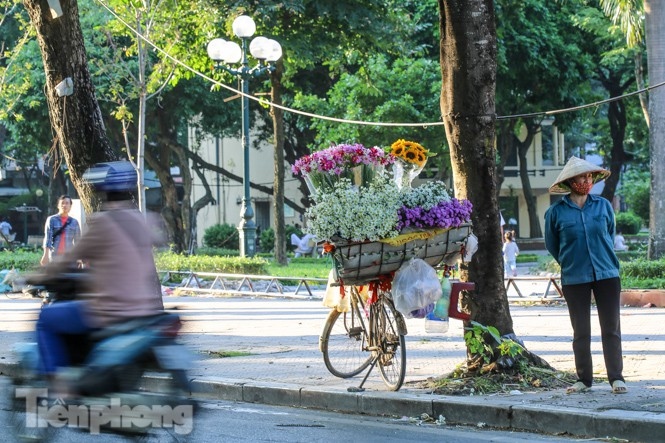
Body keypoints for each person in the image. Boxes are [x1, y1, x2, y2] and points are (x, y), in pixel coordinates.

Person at [36, 161, 165, 386]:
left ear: (100, 191)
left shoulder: (102, 222)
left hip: (108, 311)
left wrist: (40, 276)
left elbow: (68, 258)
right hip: (145, 311)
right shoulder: (143, 220)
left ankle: (60, 385)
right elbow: (159, 242)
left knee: (46, 318)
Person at [544, 156, 626, 395]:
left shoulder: (602, 206)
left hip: (607, 274)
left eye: (590, 176)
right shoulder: (555, 212)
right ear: (571, 181)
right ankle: (584, 380)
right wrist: (571, 261)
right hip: (574, 277)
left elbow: (608, 236)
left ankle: (616, 378)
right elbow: (553, 245)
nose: (587, 180)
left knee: (611, 328)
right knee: (581, 331)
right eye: (583, 176)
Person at [41, 195, 81, 266]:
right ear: (58, 206)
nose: (64, 205)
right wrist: (45, 255)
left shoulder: (74, 222)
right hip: (54, 256)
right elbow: (48, 238)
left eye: (67, 203)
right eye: (62, 203)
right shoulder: (51, 220)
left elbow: (78, 241)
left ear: (70, 206)